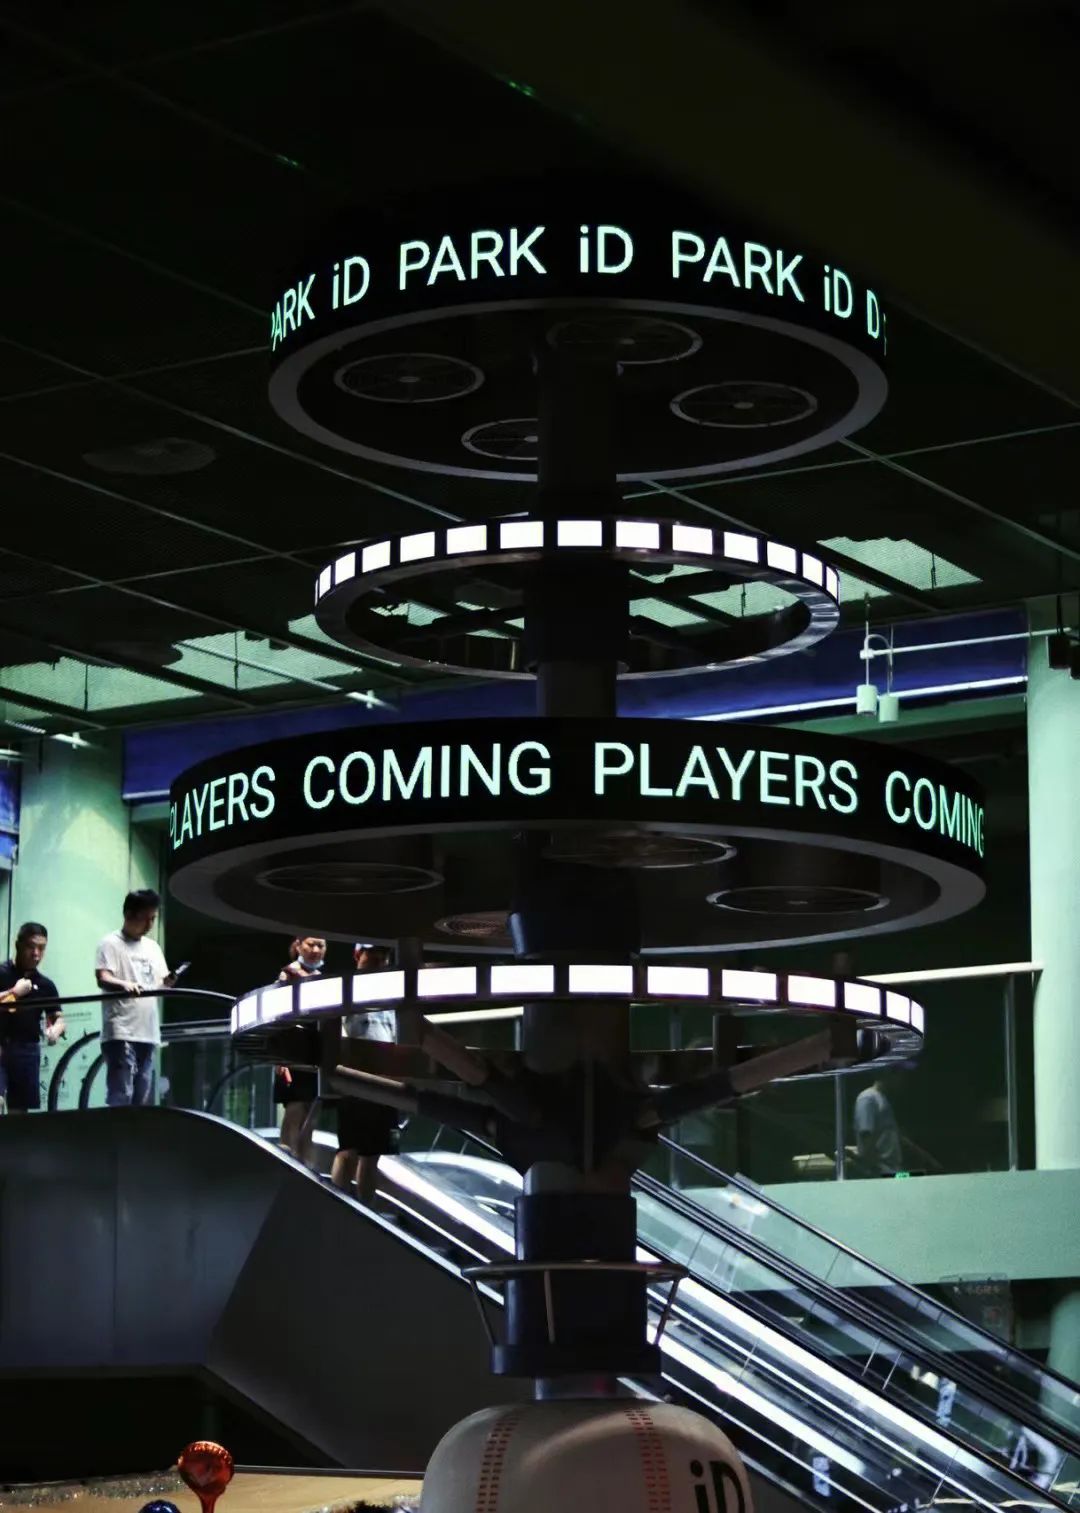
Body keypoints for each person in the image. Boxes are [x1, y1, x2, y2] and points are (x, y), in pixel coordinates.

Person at [331, 942, 401, 1204]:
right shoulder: (346, 989)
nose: (378, 961)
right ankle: (338, 1206)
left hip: (386, 1080)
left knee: (372, 1154)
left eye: (382, 958)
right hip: (356, 1079)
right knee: (349, 1150)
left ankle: (366, 1211)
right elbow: (335, 1029)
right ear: (357, 955)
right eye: (372, 956)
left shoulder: (391, 995)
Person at [95, 889, 177, 1108]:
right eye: (145, 918)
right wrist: (124, 985)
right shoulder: (110, 943)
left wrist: (168, 982)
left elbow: (160, 985)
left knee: (142, 1095)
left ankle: (133, 1130)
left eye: (153, 919)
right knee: (121, 1093)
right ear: (129, 914)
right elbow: (103, 977)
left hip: (148, 1032)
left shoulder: (152, 947)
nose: (149, 924)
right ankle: (116, 1130)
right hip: (121, 1030)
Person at [0, 922, 64, 1114]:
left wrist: (55, 1030)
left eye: (41, 948)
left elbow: (58, 1018)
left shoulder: (45, 985)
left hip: (27, 1050)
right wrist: (14, 992)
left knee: (19, 1112)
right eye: (31, 947)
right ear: (18, 945)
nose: (36, 954)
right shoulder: (2, 973)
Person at [274, 935, 326, 1166]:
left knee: (310, 1120)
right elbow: (279, 1015)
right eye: (310, 944)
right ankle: (287, 1167)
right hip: (292, 1050)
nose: (315, 949)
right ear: (298, 945)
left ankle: (307, 1171)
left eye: (320, 945)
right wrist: (280, 1057)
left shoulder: (322, 977)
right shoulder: (287, 974)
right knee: (294, 1113)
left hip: (315, 1052)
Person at [853, 1073, 903, 1176]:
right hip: (880, 1170)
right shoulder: (868, 1098)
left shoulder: (882, 1098)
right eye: (899, 1074)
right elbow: (866, 1134)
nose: (902, 1079)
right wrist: (874, 1168)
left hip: (891, 1169)